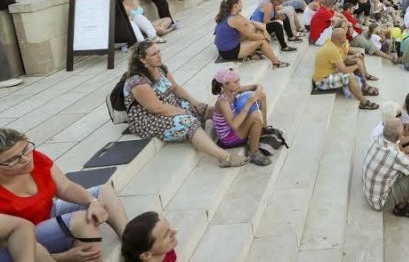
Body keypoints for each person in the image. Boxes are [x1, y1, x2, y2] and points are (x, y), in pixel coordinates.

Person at [0, 128, 128, 260]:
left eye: (25, 148)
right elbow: (9, 244)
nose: (25, 159)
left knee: (104, 192)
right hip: (24, 240)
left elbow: (65, 187)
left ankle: (130, 243)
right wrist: (60, 257)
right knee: (84, 221)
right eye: (13, 159)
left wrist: (92, 202)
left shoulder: (34, 159)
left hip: (47, 213)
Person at [123, 40, 248, 167]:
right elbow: (156, 108)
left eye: (159, 51)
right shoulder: (137, 82)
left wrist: (194, 102)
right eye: (154, 54)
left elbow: (176, 88)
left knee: (207, 109)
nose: (159, 55)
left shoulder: (160, 68)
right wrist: (183, 112)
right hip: (149, 118)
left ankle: (244, 127)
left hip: (170, 104)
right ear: (142, 60)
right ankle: (224, 157)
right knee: (188, 122)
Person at [362, 118, 409, 218]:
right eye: (403, 127)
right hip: (380, 202)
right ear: (398, 136)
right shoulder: (395, 156)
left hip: (371, 192)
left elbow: (401, 147)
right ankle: (401, 207)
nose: (404, 127)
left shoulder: (377, 139)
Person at [211, 68, 272, 166]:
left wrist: (258, 91)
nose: (239, 84)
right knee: (256, 115)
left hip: (236, 129)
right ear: (225, 84)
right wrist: (249, 103)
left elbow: (257, 86)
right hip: (228, 137)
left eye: (238, 80)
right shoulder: (222, 102)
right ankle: (253, 153)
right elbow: (234, 125)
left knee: (262, 95)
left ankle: (263, 128)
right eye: (235, 82)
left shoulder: (234, 91)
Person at [313, 27, 379, 110]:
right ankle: (364, 102)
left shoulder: (333, 42)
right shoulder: (332, 50)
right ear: (340, 39)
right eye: (345, 36)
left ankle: (364, 87)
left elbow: (344, 59)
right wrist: (357, 65)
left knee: (357, 61)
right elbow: (344, 70)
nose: (346, 37)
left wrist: (356, 61)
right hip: (322, 81)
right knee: (350, 76)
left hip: (332, 73)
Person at [213, 0, 289, 67]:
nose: (242, 5)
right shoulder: (233, 19)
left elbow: (250, 22)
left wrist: (263, 30)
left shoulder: (232, 15)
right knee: (262, 41)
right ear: (235, 5)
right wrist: (265, 36)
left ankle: (251, 54)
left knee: (254, 29)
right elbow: (250, 35)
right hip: (228, 52)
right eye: (240, 2)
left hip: (226, 48)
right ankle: (276, 63)